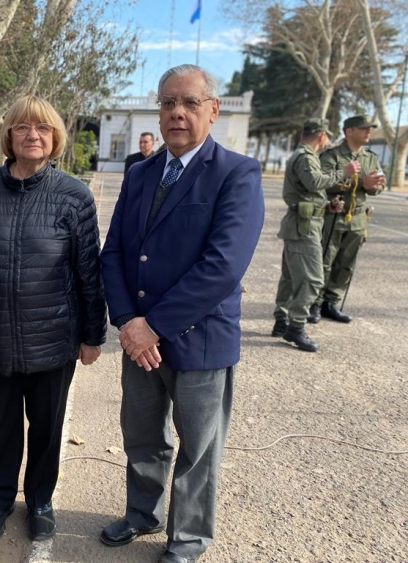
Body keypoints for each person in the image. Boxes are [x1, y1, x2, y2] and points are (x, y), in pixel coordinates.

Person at [100, 64, 265, 563]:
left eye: (190, 102)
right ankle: (141, 513)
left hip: (199, 340)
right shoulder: (140, 173)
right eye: (168, 102)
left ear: (213, 111)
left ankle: (189, 538)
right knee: (143, 435)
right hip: (138, 341)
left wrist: (152, 326)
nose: (177, 112)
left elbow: (222, 267)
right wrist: (129, 322)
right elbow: (115, 255)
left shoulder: (236, 174)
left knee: (199, 449)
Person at [0, 95, 107, 544]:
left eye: (42, 128)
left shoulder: (74, 195)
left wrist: (92, 334)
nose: (33, 135)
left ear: (55, 137)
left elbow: (89, 272)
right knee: (2, 429)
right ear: (9, 136)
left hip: (55, 341)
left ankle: (40, 500)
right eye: (23, 127)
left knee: (46, 428)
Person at [272, 119, 359, 352]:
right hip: (304, 227)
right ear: (321, 136)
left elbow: (308, 191)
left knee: (290, 277)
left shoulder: (301, 156)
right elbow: (314, 181)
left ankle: (281, 321)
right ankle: (296, 326)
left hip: (303, 221)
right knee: (313, 280)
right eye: (327, 137)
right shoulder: (306, 157)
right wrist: (344, 172)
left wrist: (327, 206)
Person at [308, 115, 384, 324]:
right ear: (349, 131)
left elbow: (378, 186)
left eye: (369, 129)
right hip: (334, 215)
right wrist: (358, 182)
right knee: (324, 261)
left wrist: (372, 186)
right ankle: (314, 302)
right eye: (364, 128)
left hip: (358, 217)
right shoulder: (332, 156)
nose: (368, 132)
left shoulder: (370, 157)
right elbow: (322, 182)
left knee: (346, 264)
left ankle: (331, 302)